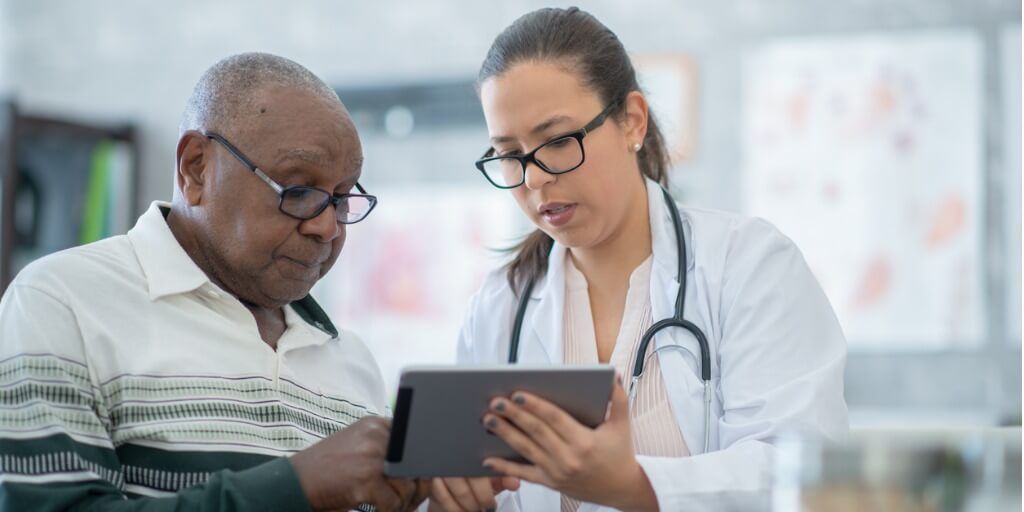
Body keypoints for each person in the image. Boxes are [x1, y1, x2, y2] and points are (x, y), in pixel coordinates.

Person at [429, 7, 848, 511]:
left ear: (632, 120)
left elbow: (800, 471)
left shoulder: (750, 266)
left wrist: (631, 486)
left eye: (558, 142)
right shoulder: (499, 308)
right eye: (510, 154)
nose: (534, 178)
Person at [0, 53, 426, 512]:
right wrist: (296, 487)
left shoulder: (350, 361)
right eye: (299, 191)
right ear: (196, 168)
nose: (328, 228)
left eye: (342, 199)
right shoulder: (63, 303)